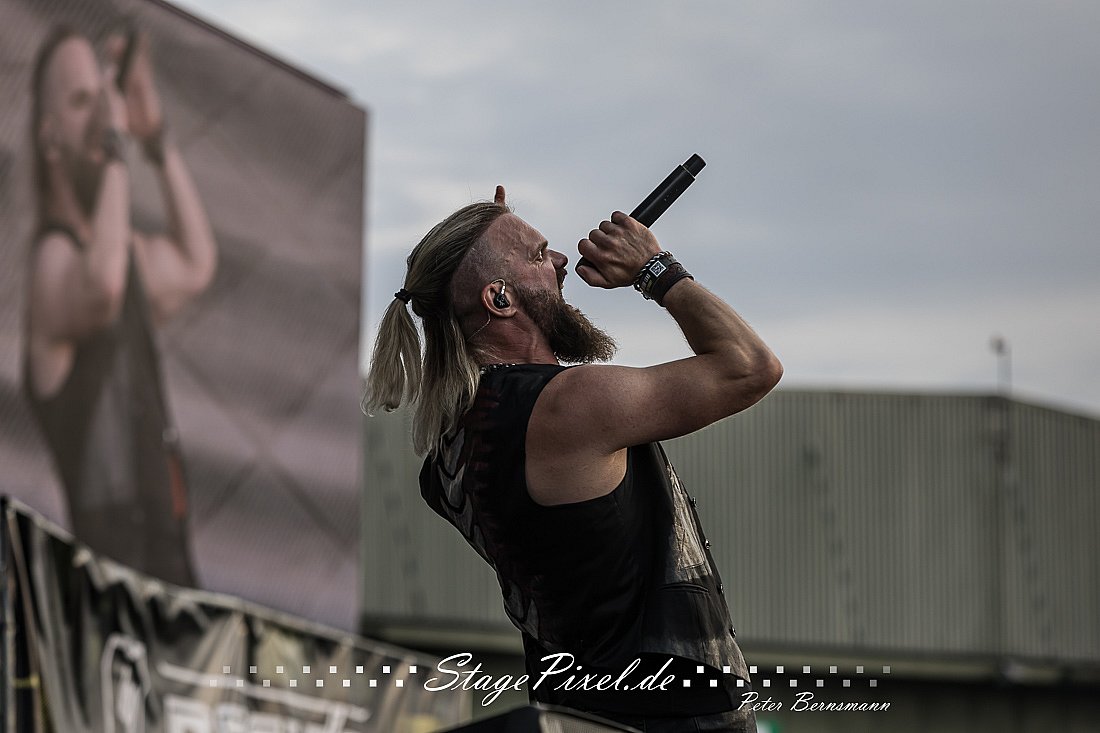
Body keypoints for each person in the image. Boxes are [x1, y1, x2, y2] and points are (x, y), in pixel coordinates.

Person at [364, 185, 781, 731]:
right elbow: (750, 367)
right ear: (500, 299)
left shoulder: (450, 454)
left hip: (580, 714)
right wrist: (653, 267)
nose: (562, 261)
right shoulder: (568, 405)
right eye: (540, 255)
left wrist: (496, 236)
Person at [23, 25, 216, 587]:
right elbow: (102, 287)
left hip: (170, 583)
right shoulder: (52, 260)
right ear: (49, 137)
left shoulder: (124, 253)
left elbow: (196, 262)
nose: (103, 112)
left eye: (103, 95)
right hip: (105, 601)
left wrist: (155, 139)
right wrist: (115, 142)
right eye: (81, 100)